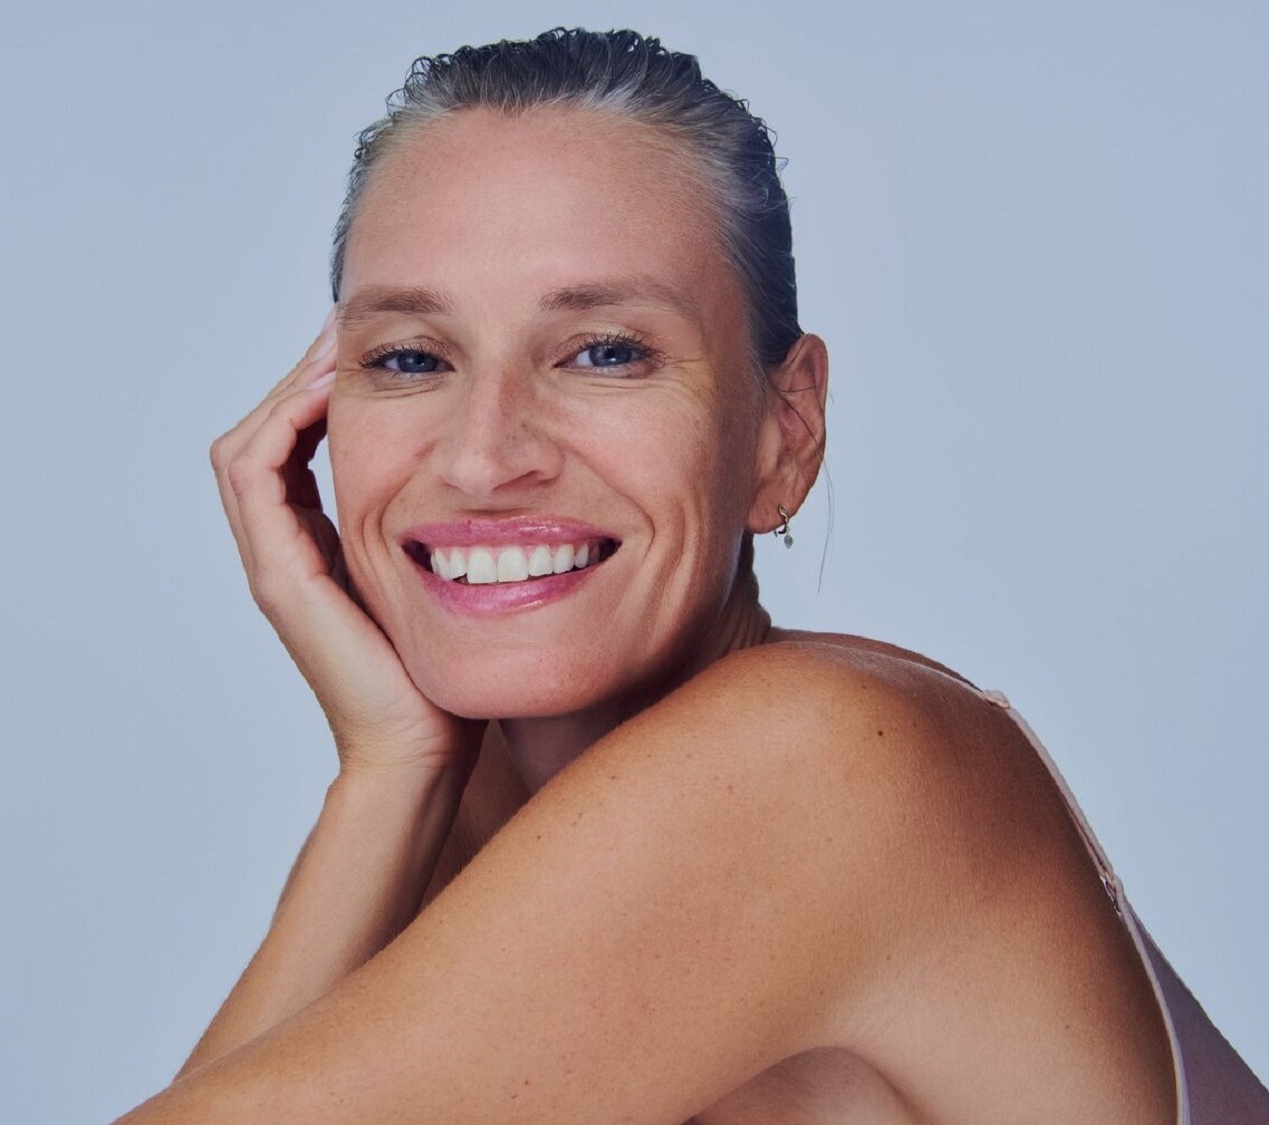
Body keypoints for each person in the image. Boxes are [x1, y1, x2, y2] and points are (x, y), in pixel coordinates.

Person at [116, 27, 1268, 1124]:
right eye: (411, 357)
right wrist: (390, 771)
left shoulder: (817, 765)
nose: (482, 456)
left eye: (605, 352)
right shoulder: (480, 810)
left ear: (784, 430)